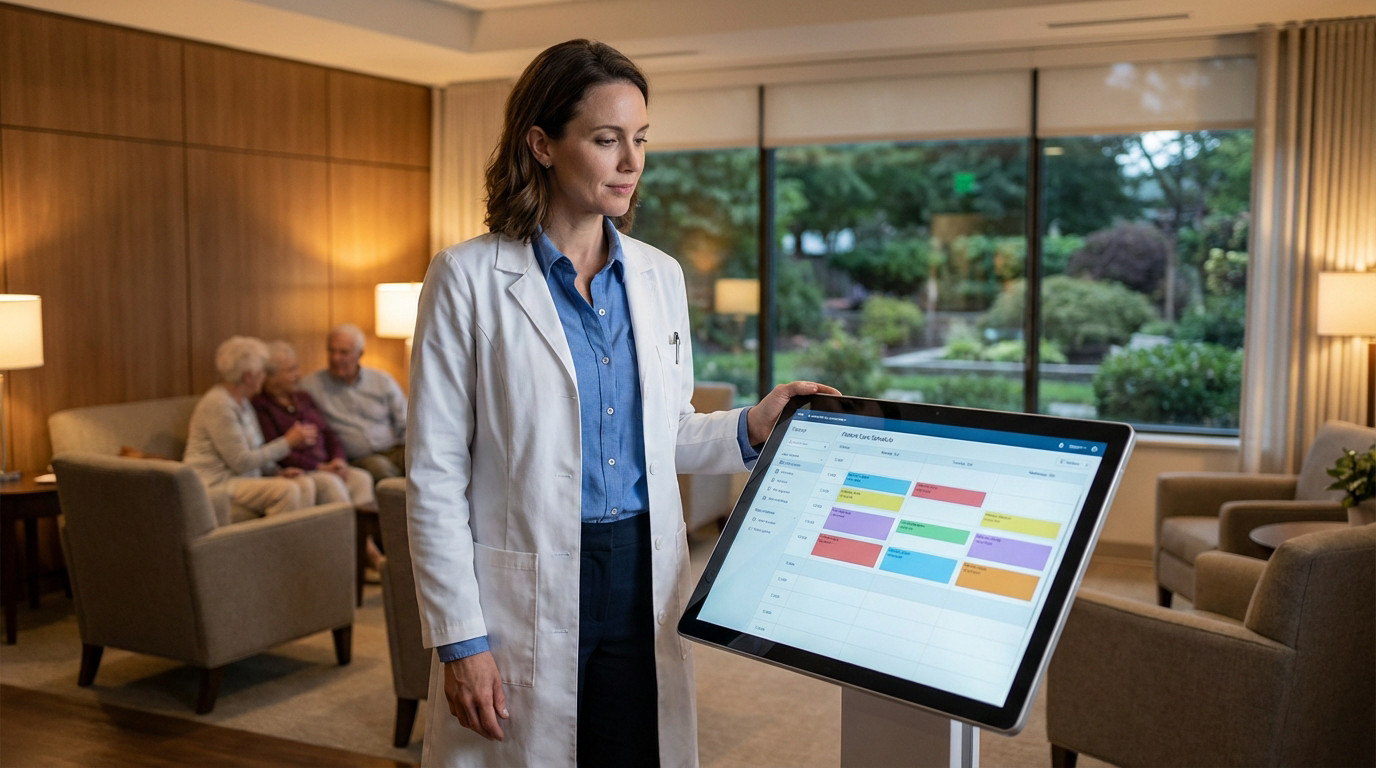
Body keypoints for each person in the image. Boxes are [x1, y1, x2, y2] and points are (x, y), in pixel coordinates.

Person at [405, 39, 839, 767]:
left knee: (635, 749)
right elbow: (435, 475)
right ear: (541, 144)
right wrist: (461, 639)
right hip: (527, 583)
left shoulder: (658, 276)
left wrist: (750, 424)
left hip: (642, 568)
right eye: (607, 140)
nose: (631, 162)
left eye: (639, 139)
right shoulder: (466, 278)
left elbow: (663, 434)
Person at [183, 335, 319, 520]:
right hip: (216, 483)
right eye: (262, 372)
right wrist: (287, 442)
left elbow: (256, 452)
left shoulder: (244, 403)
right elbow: (241, 462)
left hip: (242, 480)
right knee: (285, 491)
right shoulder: (218, 405)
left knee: (304, 483)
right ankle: (274, 548)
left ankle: (300, 547)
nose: (264, 377)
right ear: (249, 377)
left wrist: (277, 471)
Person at [252, 340, 377, 512]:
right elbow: (276, 451)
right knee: (331, 483)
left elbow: (328, 433)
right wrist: (318, 467)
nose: (298, 374)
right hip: (300, 470)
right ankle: (343, 537)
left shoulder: (303, 397)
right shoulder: (261, 406)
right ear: (271, 377)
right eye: (290, 370)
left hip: (327, 464)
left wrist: (337, 459)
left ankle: (362, 536)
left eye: (296, 368)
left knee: (362, 478)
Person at [300, 323, 408, 482]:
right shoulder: (310, 386)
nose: (336, 358)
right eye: (332, 351)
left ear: (360, 354)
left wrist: (413, 448)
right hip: (359, 458)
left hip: (395, 448)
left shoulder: (382, 380)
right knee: (380, 468)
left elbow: (405, 420)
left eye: (344, 352)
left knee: (426, 459)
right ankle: (400, 505)